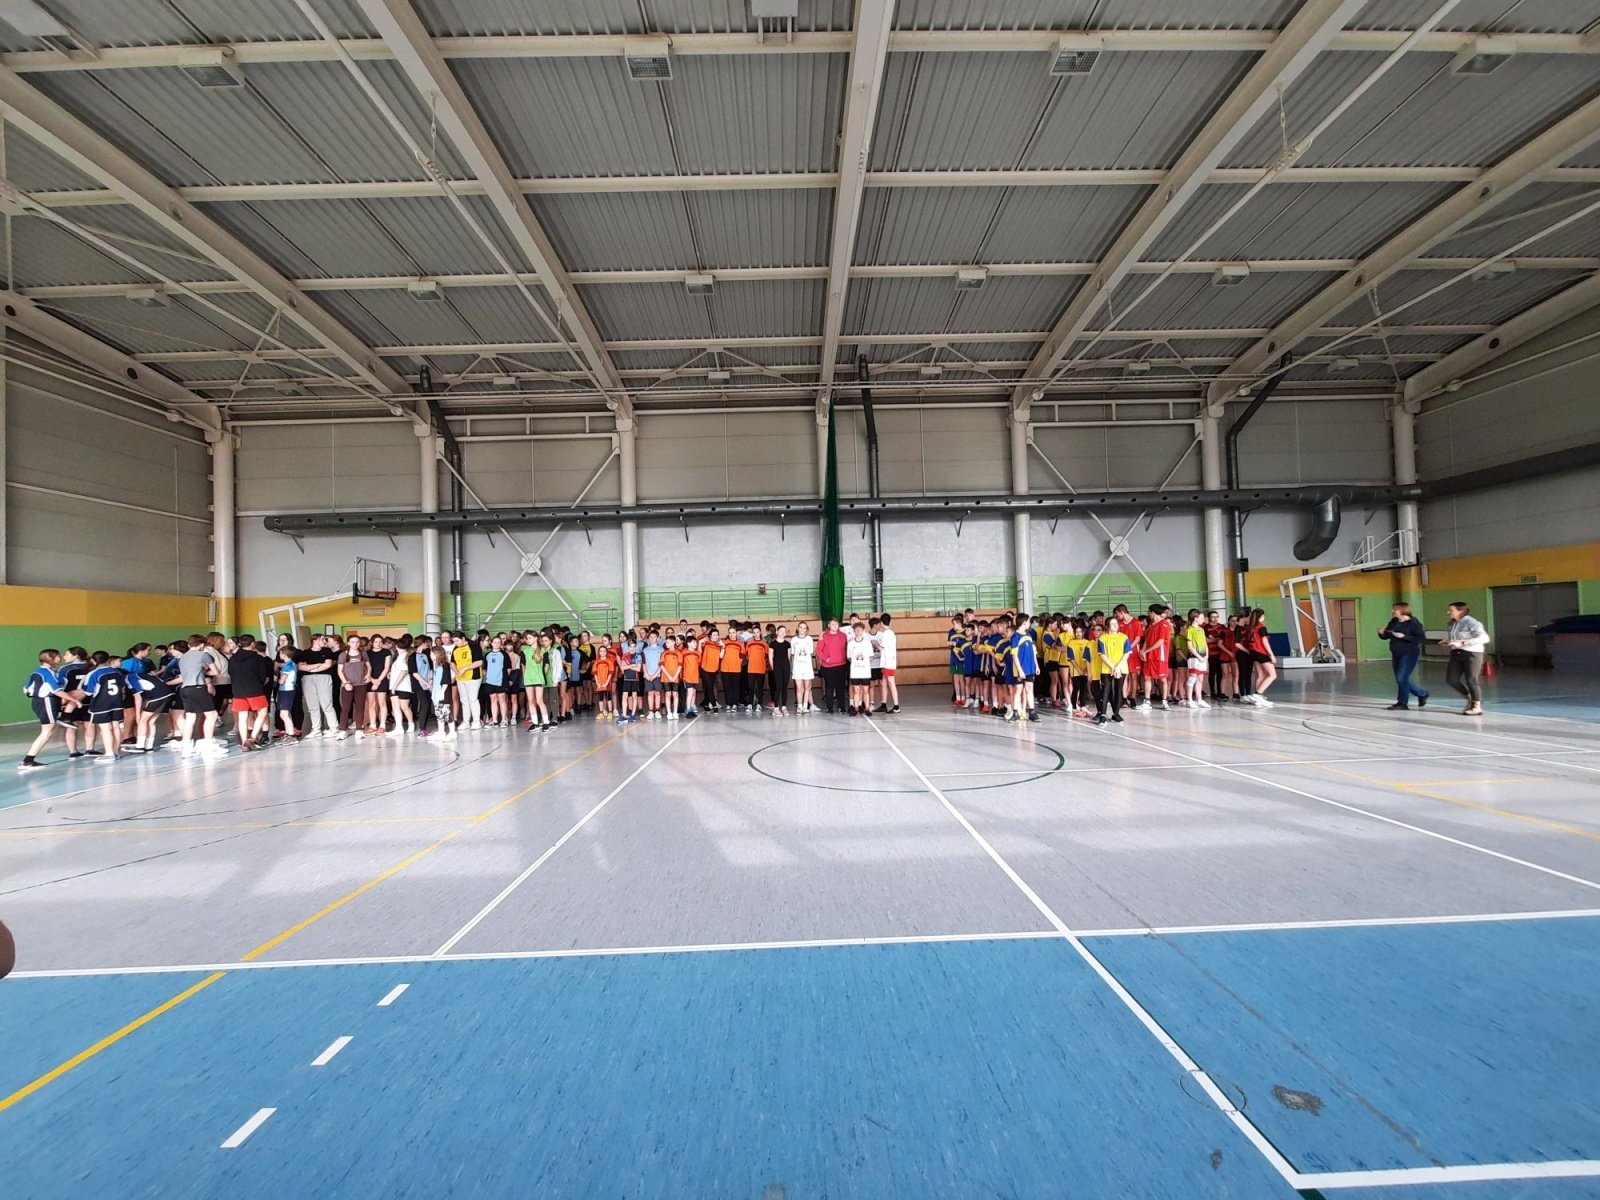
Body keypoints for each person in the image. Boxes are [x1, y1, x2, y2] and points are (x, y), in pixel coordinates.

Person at [19, 649, 66, 770]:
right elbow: (57, 691)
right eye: (58, 656)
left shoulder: (36, 671)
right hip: (46, 702)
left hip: (38, 702)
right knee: (47, 731)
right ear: (51, 658)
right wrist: (75, 700)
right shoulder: (47, 672)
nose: (60, 658)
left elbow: (25, 689)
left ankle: (28, 760)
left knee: (48, 730)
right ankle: (27, 761)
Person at [1378, 603, 1430, 711]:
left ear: (1402, 610)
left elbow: (1421, 639)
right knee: (1401, 679)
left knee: (1401, 678)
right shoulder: (1394, 622)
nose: (1392, 611)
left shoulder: (1413, 623)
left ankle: (1402, 703)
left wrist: (1404, 636)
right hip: (1396, 653)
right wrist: (1382, 633)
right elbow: (1387, 635)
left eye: (1395, 609)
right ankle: (1422, 693)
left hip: (1409, 653)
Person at [1442, 601, 1490, 716]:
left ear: (1461, 611)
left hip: (1472, 653)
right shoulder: (1452, 623)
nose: (1448, 612)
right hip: (1456, 653)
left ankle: (1476, 706)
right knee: (1451, 679)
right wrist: (1448, 641)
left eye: (1451, 610)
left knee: (1471, 680)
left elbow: (1484, 638)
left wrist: (1465, 643)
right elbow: (1456, 637)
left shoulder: (1472, 622)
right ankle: (1470, 697)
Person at [227, 634, 273, 750]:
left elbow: (230, 673)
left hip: (238, 691)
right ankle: (252, 738)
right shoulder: (257, 658)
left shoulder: (233, 659)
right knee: (262, 713)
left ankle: (244, 743)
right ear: (252, 644)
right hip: (255, 690)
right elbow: (263, 677)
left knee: (242, 717)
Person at [298, 635, 339, 737]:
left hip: (324, 677)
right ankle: (316, 729)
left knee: (326, 703)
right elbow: (300, 667)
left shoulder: (327, 651)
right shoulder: (305, 653)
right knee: (312, 705)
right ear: (315, 640)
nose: (324, 641)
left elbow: (328, 665)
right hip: (308, 679)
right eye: (322, 639)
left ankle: (334, 728)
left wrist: (310, 669)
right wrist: (317, 665)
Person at [1094, 617, 1130, 725]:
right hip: (1107, 668)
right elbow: (1102, 655)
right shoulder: (1102, 638)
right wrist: (1113, 667)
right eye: (1113, 624)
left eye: (1116, 623)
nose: (1115, 625)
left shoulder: (1124, 637)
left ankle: (1116, 714)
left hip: (1121, 667)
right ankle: (1103, 715)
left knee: (1118, 690)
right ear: (1108, 626)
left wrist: (1118, 667)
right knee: (1106, 691)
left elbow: (1127, 653)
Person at [337, 638, 371, 738]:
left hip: (361, 684)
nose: (355, 644)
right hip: (348, 685)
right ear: (348, 643)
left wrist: (368, 675)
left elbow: (368, 666)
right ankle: (343, 730)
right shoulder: (343, 655)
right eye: (352, 642)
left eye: (357, 642)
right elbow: (340, 671)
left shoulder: (363, 654)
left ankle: (359, 729)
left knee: (360, 708)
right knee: (346, 708)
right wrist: (345, 683)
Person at [817, 618, 849, 714]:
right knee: (829, 687)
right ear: (829, 625)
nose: (834, 626)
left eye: (836, 624)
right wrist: (826, 659)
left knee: (841, 687)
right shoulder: (823, 636)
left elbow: (848, 647)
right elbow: (818, 650)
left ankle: (841, 707)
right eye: (832, 624)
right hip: (828, 666)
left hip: (841, 665)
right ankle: (829, 708)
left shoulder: (843, 635)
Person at [846, 621, 874, 715]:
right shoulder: (851, 643)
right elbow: (849, 657)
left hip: (865, 671)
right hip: (855, 672)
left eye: (860, 629)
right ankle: (856, 708)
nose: (858, 631)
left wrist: (863, 663)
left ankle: (867, 708)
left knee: (865, 690)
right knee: (856, 690)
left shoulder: (867, 643)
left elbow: (871, 657)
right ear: (854, 631)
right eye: (856, 629)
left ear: (863, 631)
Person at [876, 614, 900, 714]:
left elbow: (881, 647)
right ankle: (884, 704)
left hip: (889, 662)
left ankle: (896, 706)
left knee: (891, 682)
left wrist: (875, 643)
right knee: (884, 683)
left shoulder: (887, 633)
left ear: (881, 623)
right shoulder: (889, 632)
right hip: (886, 662)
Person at [275, 647, 301, 740]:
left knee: (283, 714)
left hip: (286, 691)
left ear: (284, 655)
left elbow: (282, 681)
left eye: (280, 653)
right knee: (287, 713)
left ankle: (291, 735)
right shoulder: (291, 664)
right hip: (288, 690)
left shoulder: (287, 666)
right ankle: (288, 732)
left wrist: (276, 679)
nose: (279, 655)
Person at [789, 622, 816, 713]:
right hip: (797, 667)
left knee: (807, 687)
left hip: (807, 667)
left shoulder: (809, 639)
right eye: (801, 627)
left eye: (804, 628)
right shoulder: (794, 640)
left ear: (806, 629)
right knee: (799, 688)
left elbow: (811, 652)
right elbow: (792, 653)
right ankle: (799, 706)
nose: (802, 630)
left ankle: (805, 706)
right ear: (798, 628)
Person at [745, 629, 770, 712]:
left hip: (761, 669)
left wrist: (765, 666)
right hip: (751, 669)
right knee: (750, 687)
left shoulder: (764, 644)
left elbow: (767, 656)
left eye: (757, 632)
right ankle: (750, 704)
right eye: (754, 632)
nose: (756, 634)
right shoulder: (749, 643)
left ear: (760, 633)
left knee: (760, 687)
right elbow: (747, 656)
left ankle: (759, 704)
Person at [661, 638, 683, 721]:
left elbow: (680, 665)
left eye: (668, 642)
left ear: (673, 642)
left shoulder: (678, 653)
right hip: (666, 677)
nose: (666, 643)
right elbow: (662, 665)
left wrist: (675, 676)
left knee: (675, 694)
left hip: (675, 677)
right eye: (666, 642)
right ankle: (669, 712)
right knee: (667, 694)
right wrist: (669, 676)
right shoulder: (664, 653)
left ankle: (675, 712)